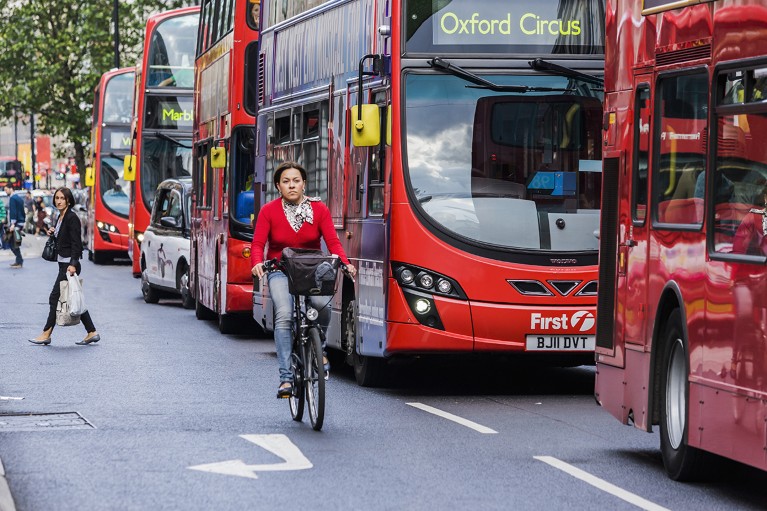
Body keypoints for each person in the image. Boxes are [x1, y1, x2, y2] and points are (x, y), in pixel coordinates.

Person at [250, 161, 357, 398]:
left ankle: (320, 347)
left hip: (312, 268)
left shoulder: (319, 210)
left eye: (296, 181)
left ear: (304, 184)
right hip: (280, 270)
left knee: (321, 305)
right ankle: (286, 378)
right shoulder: (269, 210)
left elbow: (333, 242)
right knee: (285, 314)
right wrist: (257, 262)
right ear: (278, 186)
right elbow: (258, 244)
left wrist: (346, 263)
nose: (292, 185)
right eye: (286, 181)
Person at [28, 187, 101, 346]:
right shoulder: (61, 217)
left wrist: (73, 264)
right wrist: (54, 233)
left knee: (54, 297)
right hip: (64, 263)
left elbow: (77, 243)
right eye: (57, 198)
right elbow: (65, 239)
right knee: (72, 298)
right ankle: (91, 331)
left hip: (69, 265)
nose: (58, 201)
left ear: (68, 200)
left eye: (62, 198)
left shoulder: (72, 217)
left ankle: (46, 333)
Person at [4, 185, 25, 268]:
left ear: (11, 189)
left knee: (12, 243)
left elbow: (13, 212)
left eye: (6, 190)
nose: (5, 191)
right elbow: (22, 211)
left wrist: (12, 224)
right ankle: (18, 260)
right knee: (14, 243)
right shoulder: (19, 198)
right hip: (20, 222)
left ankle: (19, 261)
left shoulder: (12, 198)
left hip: (15, 224)